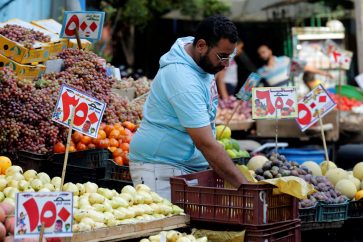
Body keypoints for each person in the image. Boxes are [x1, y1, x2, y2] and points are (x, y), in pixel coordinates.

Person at [129, 15, 248, 200]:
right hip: (160, 168)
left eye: (230, 56)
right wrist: (246, 188)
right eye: (222, 56)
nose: (225, 64)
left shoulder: (198, 58)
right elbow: (206, 143)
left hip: (184, 166)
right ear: (201, 46)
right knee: (170, 227)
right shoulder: (182, 78)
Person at [257, 44, 332, 87]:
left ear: (270, 51)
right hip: (275, 103)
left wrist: (324, 73)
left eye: (264, 52)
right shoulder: (261, 71)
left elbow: (305, 67)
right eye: (260, 54)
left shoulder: (283, 60)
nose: (262, 55)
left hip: (290, 99)